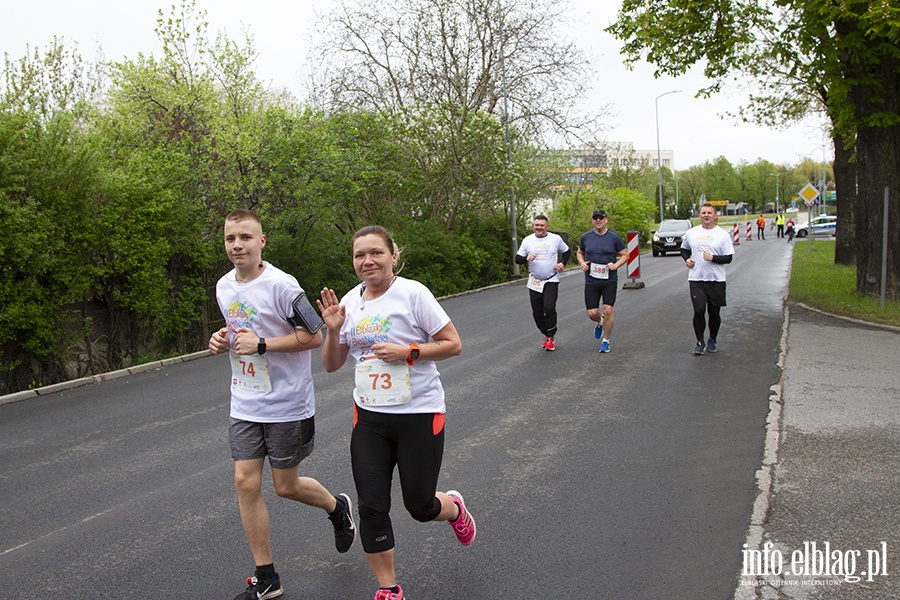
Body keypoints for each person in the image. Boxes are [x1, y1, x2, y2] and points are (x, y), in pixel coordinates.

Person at [318, 225, 475, 600]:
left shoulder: (413, 293)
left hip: (419, 414)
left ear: (393, 256)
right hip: (369, 418)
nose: (367, 261)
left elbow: (453, 344)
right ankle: (389, 589)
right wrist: (332, 331)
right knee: (372, 504)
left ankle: (453, 509)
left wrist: (409, 352)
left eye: (376, 252)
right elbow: (332, 365)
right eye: (359, 255)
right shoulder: (349, 302)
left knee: (419, 505)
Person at [208, 209, 356, 600]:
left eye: (245, 237)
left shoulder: (283, 286)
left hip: (287, 402)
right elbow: (239, 326)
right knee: (245, 482)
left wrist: (262, 345)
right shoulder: (224, 286)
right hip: (244, 398)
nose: (237, 245)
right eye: (230, 239)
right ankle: (267, 576)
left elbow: (312, 334)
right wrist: (221, 338)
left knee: (285, 486)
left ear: (262, 242)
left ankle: (336, 507)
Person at [680, 203, 735, 355]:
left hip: (716, 280)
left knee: (714, 313)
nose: (706, 215)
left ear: (715, 216)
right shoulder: (692, 233)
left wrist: (713, 258)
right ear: (699, 216)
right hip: (696, 279)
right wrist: (687, 259)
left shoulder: (722, 234)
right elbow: (684, 249)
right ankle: (699, 342)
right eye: (703, 212)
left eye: (709, 213)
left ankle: (712, 339)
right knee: (698, 311)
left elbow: (729, 258)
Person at [515, 215, 571, 351]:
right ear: (533, 226)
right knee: (537, 312)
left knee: (549, 308)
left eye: (542, 225)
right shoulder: (528, 240)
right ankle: (547, 334)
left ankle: (551, 336)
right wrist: (526, 258)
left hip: (551, 279)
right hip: (535, 281)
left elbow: (567, 251)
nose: (539, 228)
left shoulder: (555, 239)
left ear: (547, 226)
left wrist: (562, 263)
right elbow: (517, 259)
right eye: (536, 225)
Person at [576, 209, 628, 353]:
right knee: (592, 313)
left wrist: (615, 265)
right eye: (595, 218)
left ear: (606, 220)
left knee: (608, 309)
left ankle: (606, 341)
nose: (598, 221)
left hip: (609, 279)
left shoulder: (613, 237)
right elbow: (580, 252)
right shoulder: (586, 237)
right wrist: (582, 262)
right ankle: (600, 321)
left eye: (601, 218)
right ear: (592, 221)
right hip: (592, 280)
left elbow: (625, 255)